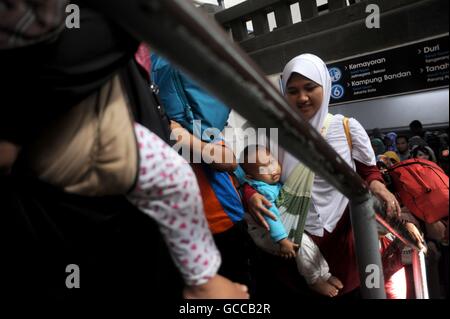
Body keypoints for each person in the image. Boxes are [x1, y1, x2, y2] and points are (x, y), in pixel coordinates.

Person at [244, 54, 402, 297]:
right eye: (293, 91)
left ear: (325, 87)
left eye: (310, 88)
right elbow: (251, 174)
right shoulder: (271, 134)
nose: (302, 98)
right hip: (297, 237)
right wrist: (251, 196)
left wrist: (378, 186)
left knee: (353, 289)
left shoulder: (346, 127)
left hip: (344, 234)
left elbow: (368, 171)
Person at [241, 144, 344, 297]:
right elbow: (271, 215)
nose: (272, 170)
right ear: (250, 177)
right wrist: (282, 240)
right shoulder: (263, 191)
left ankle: (324, 275)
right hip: (266, 233)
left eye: (272, 162)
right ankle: (314, 279)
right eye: (263, 168)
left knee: (309, 245)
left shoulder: (272, 184)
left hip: (278, 228)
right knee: (301, 243)